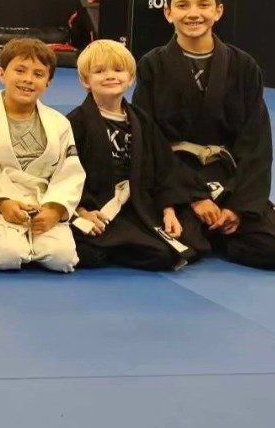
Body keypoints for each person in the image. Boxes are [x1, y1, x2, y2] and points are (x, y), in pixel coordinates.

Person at [133, 0, 275, 269]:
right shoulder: (153, 65)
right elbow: (149, 139)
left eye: (203, 4)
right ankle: (206, 232)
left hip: (229, 177)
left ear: (218, 11)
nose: (193, 13)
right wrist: (192, 197)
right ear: (168, 13)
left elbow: (256, 142)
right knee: (175, 249)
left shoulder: (244, 66)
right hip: (178, 174)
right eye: (183, 5)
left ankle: (221, 230)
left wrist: (239, 207)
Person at [68, 40, 202, 270]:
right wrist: (81, 211)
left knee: (193, 240)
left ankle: (110, 246)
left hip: (139, 203)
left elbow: (164, 167)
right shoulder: (75, 123)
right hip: (99, 207)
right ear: (85, 80)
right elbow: (65, 174)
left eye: (118, 70)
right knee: (161, 254)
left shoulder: (141, 120)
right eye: (99, 71)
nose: (110, 76)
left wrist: (168, 209)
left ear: (131, 78)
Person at [0, 38, 85, 272]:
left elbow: (70, 172)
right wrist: (1, 203)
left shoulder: (59, 123)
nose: (28, 80)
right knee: (5, 257)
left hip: (43, 203)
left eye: (38, 74)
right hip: (2, 205)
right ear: (1, 74)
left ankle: (39, 239)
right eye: (20, 71)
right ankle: (12, 239)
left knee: (62, 259)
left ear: (49, 82)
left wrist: (55, 209)